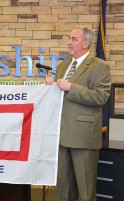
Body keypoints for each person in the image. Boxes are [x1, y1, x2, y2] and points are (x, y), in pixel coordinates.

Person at [45, 26, 111, 201]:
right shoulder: (62, 66)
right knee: (63, 191)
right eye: (69, 38)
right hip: (62, 136)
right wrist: (49, 88)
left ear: (86, 43)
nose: (69, 42)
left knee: (85, 192)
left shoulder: (100, 66)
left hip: (83, 138)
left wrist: (71, 87)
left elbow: (101, 96)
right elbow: (59, 98)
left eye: (74, 39)